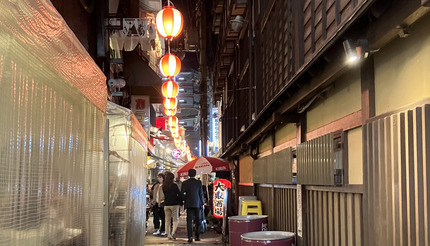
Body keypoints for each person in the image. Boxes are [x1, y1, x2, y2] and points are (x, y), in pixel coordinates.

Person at [181, 169, 204, 243]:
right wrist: (202, 203)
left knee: (189, 221)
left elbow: (182, 194)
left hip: (189, 204)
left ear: (188, 174)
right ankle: (197, 236)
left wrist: (185, 199)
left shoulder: (185, 183)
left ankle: (190, 237)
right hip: (197, 203)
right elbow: (201, 193)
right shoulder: (198, 182)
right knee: (198, 220)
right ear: (195, 174)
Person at [162, 172, 183, 240]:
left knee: (167, 220)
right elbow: (179, 195)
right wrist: (181, 203)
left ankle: (168, 234)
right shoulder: (174, 185)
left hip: (166, 204)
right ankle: (173, 233)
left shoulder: (163, 186)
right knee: (175, 219)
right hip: (174, 204)